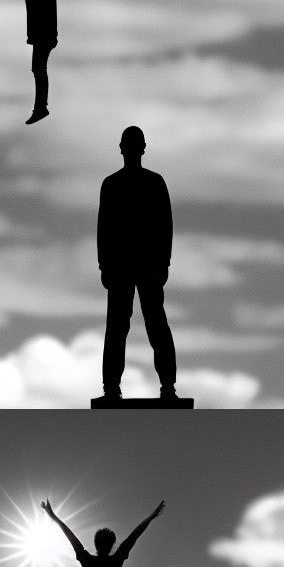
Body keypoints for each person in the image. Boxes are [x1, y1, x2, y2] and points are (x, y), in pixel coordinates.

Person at [98, 126, 178, 401]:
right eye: (129, 145)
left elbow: (165, 226)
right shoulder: (112, 185)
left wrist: (163, 264)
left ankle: (167, 387)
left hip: (144, 266)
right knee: (119, 328)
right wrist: (105, 266)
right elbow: (104, 228)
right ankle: (112, 389)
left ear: (141, 148)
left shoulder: (154, 183)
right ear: (123, 148)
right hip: (123, 267)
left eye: (134, 145)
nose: (131, 150)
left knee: (154, 326)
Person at [9, 0, 73, 124]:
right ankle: (40, 107)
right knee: (38, 70)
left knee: (39, 70)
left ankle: (41, 107)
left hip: (42, 39)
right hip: (46, 39)